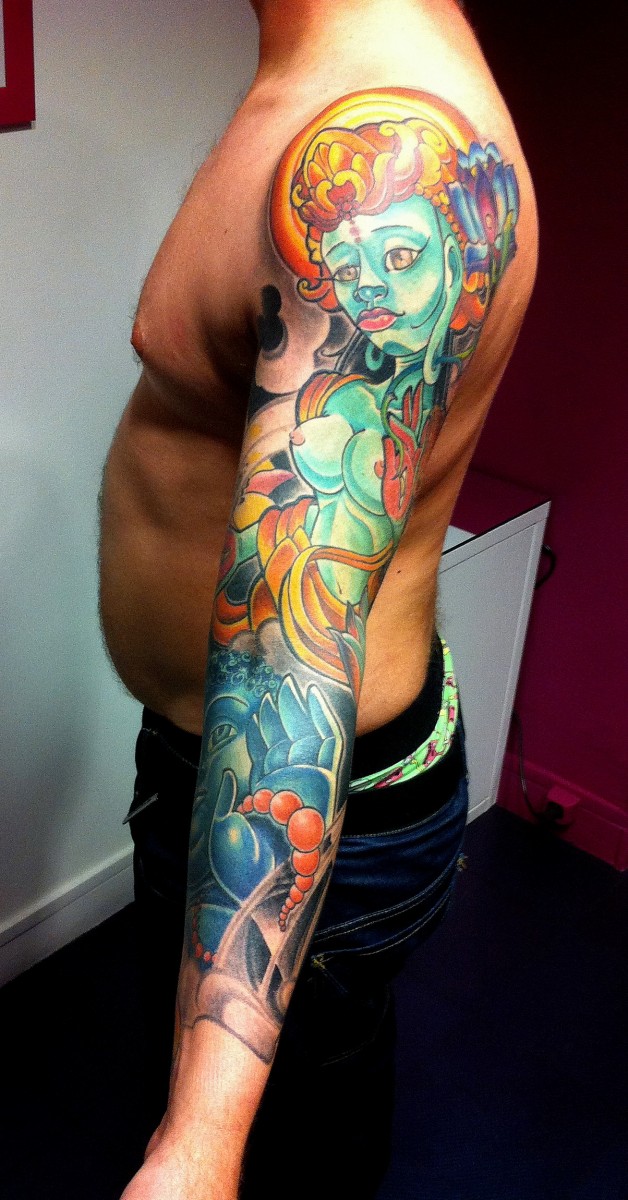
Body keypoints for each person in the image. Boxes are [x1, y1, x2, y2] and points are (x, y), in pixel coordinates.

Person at [98, 1, 538, 1196]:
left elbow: (290, 652)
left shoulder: (391, 152)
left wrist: (198, 1142)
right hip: (248, 763)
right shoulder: (335, 97)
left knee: (290, 1144)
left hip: (290, 784)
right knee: (319, 1088)